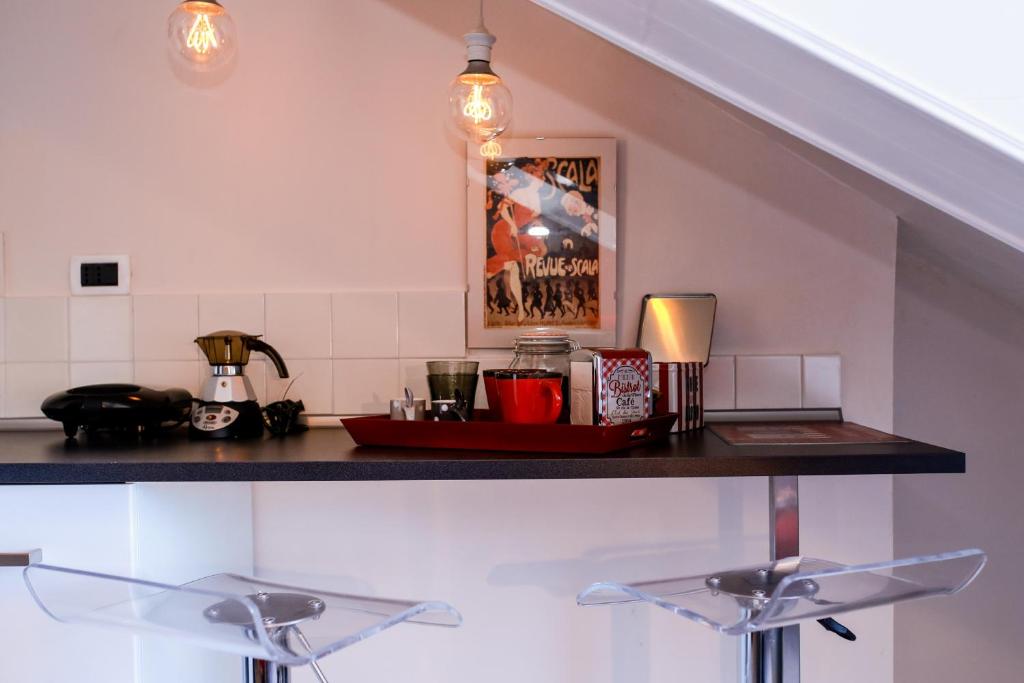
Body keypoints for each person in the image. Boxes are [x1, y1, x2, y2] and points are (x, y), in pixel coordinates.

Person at [485, 160, 552, 323]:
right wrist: (512, 225)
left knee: (540, 251)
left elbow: (531, 218)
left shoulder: (537, 197)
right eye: (538, 175)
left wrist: (538, 224)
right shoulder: (522, 192)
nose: (542, 178)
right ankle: (520, 308)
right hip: (504, 231)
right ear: (530, 178)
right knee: (511, 267)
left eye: (542, 175)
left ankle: (491, 271)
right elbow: (503, 210)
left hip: (520, 234)